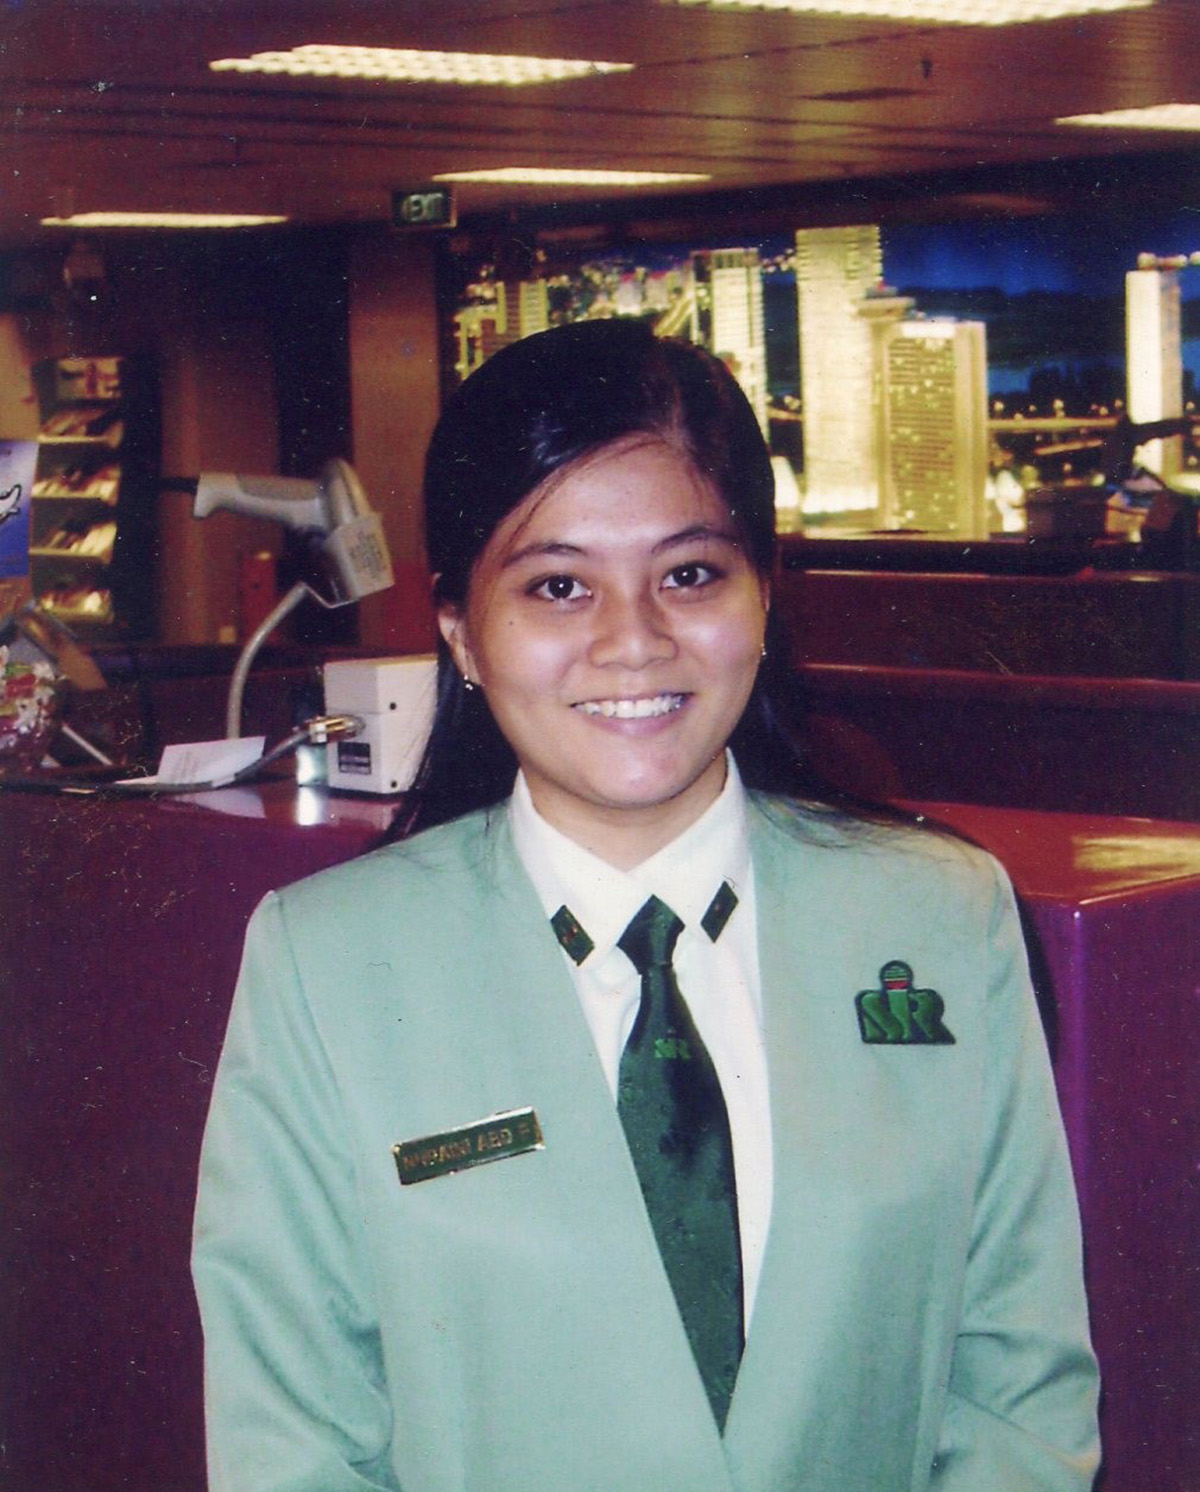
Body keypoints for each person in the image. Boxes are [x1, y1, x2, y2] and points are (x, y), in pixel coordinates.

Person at [192, 319, 1100, 1492]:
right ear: (463, 632)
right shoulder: (327, 965)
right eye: (558, 585)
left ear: (765, 599)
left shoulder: (939, 916)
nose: (635, 640)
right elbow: (295, 1440)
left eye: (690, 574)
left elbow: (1018, 1383)